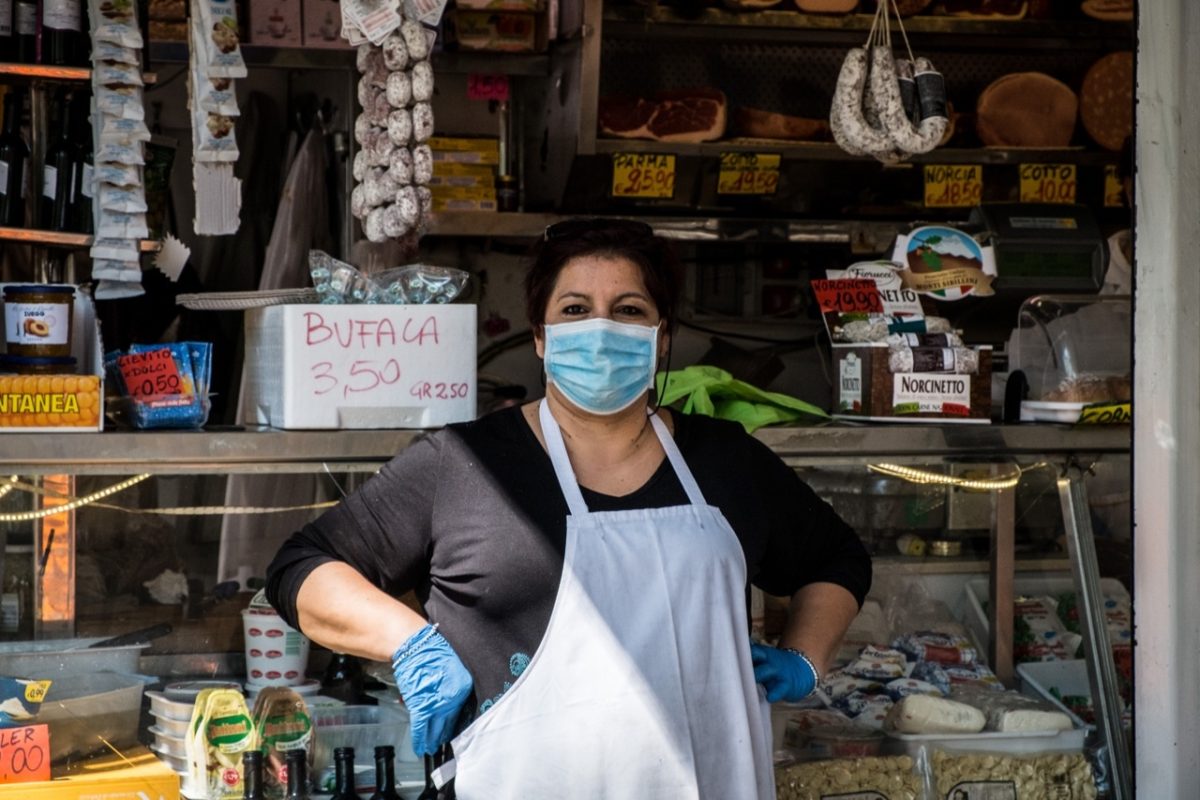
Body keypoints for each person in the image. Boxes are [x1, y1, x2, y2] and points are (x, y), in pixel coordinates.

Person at [266, 218, 871, 798]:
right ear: (540, 336)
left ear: (662, 340)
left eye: (629, 310)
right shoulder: (465, 465)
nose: (601, 330)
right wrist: (409, 642)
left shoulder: (726, 460)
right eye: (575, 310)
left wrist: (804, 659)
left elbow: (837, 558)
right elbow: (302, 567)